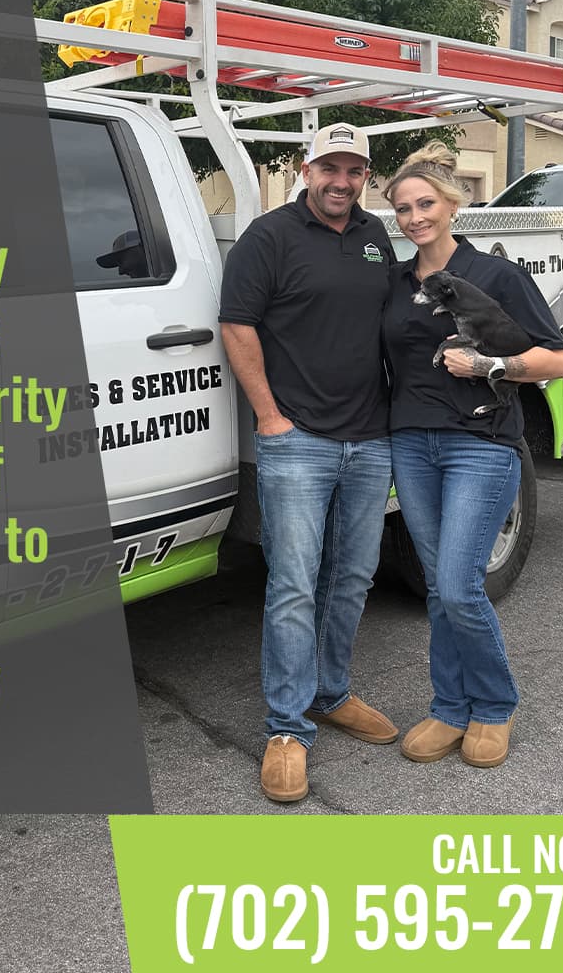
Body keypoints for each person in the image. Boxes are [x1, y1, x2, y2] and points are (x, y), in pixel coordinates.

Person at [219, 122, 398, 803]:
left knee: (351, 577)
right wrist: (270, 416)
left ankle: (331, 693)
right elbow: (237, 323)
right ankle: (287, 729)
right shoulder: (269, 237)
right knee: (294, 584)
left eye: (354, 170)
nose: (341, 182)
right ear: (306, 168)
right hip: (297, 440)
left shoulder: (376, 236)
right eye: (330, 168)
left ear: (365, 177)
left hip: (370, 438)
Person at [382, 142, 563, 769]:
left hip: (481, 444)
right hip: (411, 443)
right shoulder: (395, 283)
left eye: (426, 204)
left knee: (461, 586)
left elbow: (558, 359)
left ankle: (493, 705)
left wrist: (490, 364)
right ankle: (449, 706)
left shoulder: (494, 275)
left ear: (452, 205)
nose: (415, 218)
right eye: (404, 209)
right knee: (439, 587)